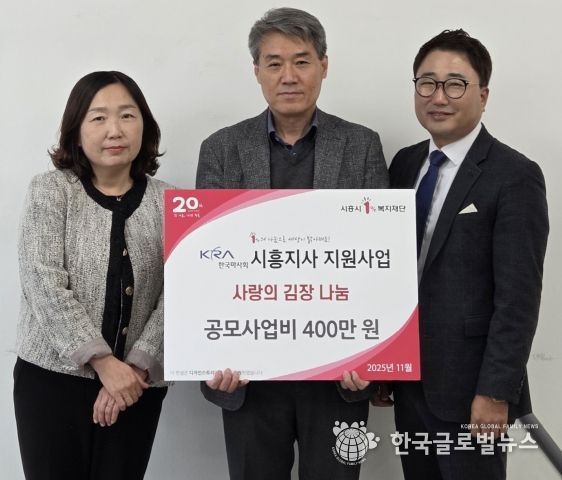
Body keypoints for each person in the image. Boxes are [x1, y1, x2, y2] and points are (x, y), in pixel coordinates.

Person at [196, 7, 389, 480]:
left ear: (324, 65)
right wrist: (209, 353)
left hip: (337, 373)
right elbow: (207, 266)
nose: (289, 76)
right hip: (249, 378)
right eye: (274, 63)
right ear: (256, 71)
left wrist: (374, 357)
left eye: (302, 61)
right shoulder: (221, 149)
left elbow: (378, 263)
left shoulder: (362, 145)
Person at [389, 29, 549, 479]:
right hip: (409, 382)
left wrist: (496, 391)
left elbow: (518, 299)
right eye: (427, 83)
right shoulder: (404, 164)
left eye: (455, 84)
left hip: (473, 391)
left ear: (483, 95)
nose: (439, 96)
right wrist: (384, 367)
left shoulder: (514, 175)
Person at [14, 71, 170, 480]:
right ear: (76, 130)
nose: (114, 130)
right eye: (98, 118)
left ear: (145, 125)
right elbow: (43, 282)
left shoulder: (169, 201)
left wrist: (134, 370)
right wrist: (103, 363)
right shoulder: (51, 190)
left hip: (137, 386)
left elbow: (181, 293)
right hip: (52, 381)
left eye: (127, 116)